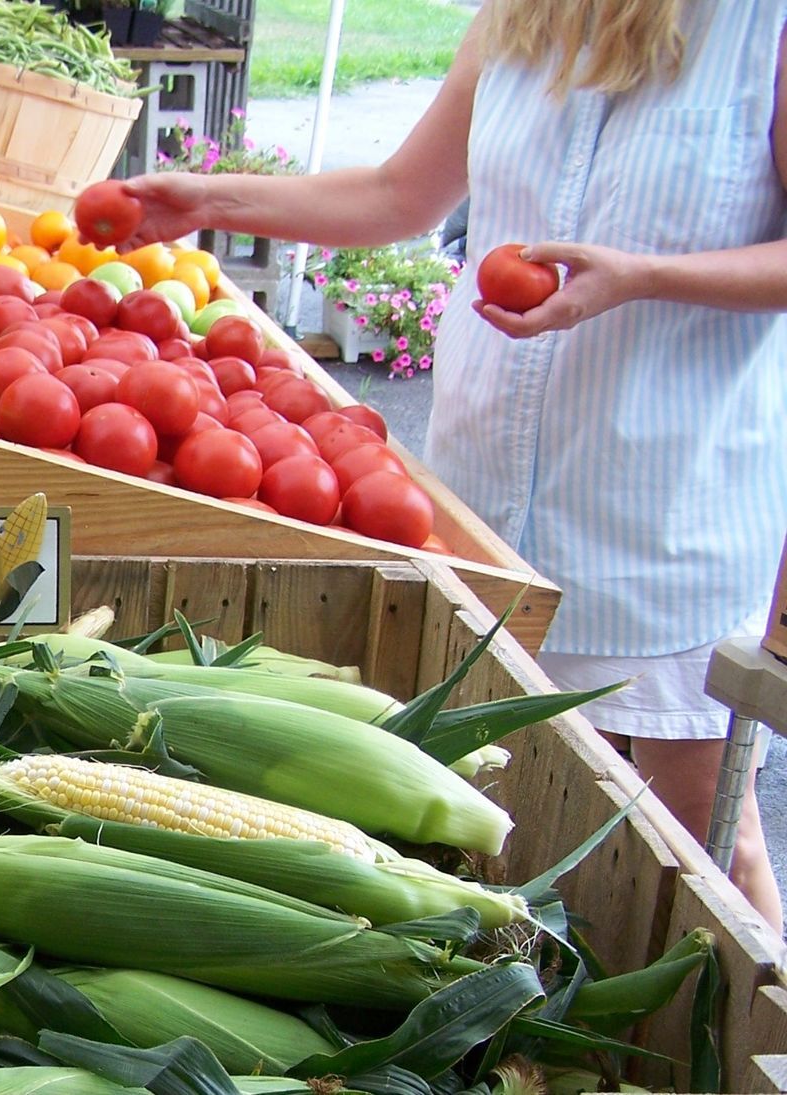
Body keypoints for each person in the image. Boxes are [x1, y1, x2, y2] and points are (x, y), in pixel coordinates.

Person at [121, 0, 787, 934]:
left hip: (667, 506)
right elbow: (400, 195)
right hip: (486, 497)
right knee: (523, 808)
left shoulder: (761, 29)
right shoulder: (520, 18)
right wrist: (210, 199)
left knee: (708, 833)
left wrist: (643, 276)